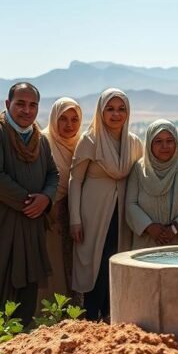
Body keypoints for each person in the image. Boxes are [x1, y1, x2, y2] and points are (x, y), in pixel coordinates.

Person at [0, 82, 59, 324]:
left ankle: (19, 342)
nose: (27, 110)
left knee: (27, 284)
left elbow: (53, 174)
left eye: (32, 105)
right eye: (20, 104)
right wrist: (31, 201)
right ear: (8, 104)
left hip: (28, 224)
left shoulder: (40, 139)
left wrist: (46, 198)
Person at [69, 88, 144, 321]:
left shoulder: (132, 142)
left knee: (117, 258)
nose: (116, 114)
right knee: (95, 263)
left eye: (121, 109)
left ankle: (112, 315)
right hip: (93, 213)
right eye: (110, 109)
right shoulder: (89, 140)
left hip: (122, 214)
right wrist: (75, 219)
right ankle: (91, 318)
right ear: (101, 112)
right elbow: (76, 180)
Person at [126, 119, 178, 248]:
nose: (164, 146)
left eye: (169, 141)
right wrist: (149, 227)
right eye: (158, 141)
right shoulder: (139, 168)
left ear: (176, 142)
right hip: (148, 241)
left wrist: (175, 229)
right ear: (149, 144)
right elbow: (131, 203)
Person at [38, 97, 83, 304]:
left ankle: (71, 310)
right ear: (54, 119)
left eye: (74, 119)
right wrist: (50, 203)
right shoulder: (43, 142)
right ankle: (49, 313)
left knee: (72, 264)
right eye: (63, 119)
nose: (69, 125)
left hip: (74, 214)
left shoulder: (82, 144)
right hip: (48, 214)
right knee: (52, 264)